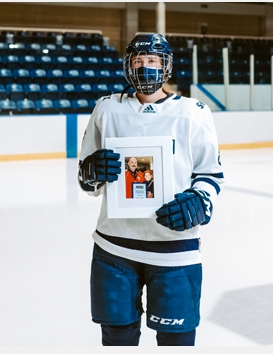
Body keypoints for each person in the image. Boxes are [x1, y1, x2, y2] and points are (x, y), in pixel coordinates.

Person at [77, 33, 224, 346]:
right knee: (117, 340)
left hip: (174, 250)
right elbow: (86, 180)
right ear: (128, 65)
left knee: (177, 341)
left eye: (153, 61)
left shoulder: (193, 112)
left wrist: (199, 202)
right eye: (139, 61)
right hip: (114, 248)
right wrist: (91, 172)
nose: (146, 68)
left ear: (166, 66)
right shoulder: (106, 109)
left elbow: (211, 174)